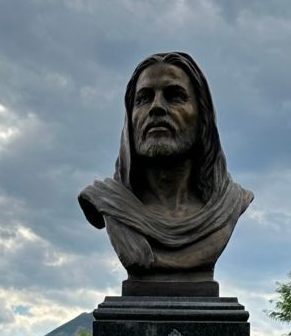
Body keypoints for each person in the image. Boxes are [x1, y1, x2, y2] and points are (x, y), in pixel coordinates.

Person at [78, 51, 253, 292]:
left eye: (174, 96)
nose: (156, 107)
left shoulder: (231, 203)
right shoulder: (106, 201)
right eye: (144, 98)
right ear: (130, 120)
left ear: (202, 116)